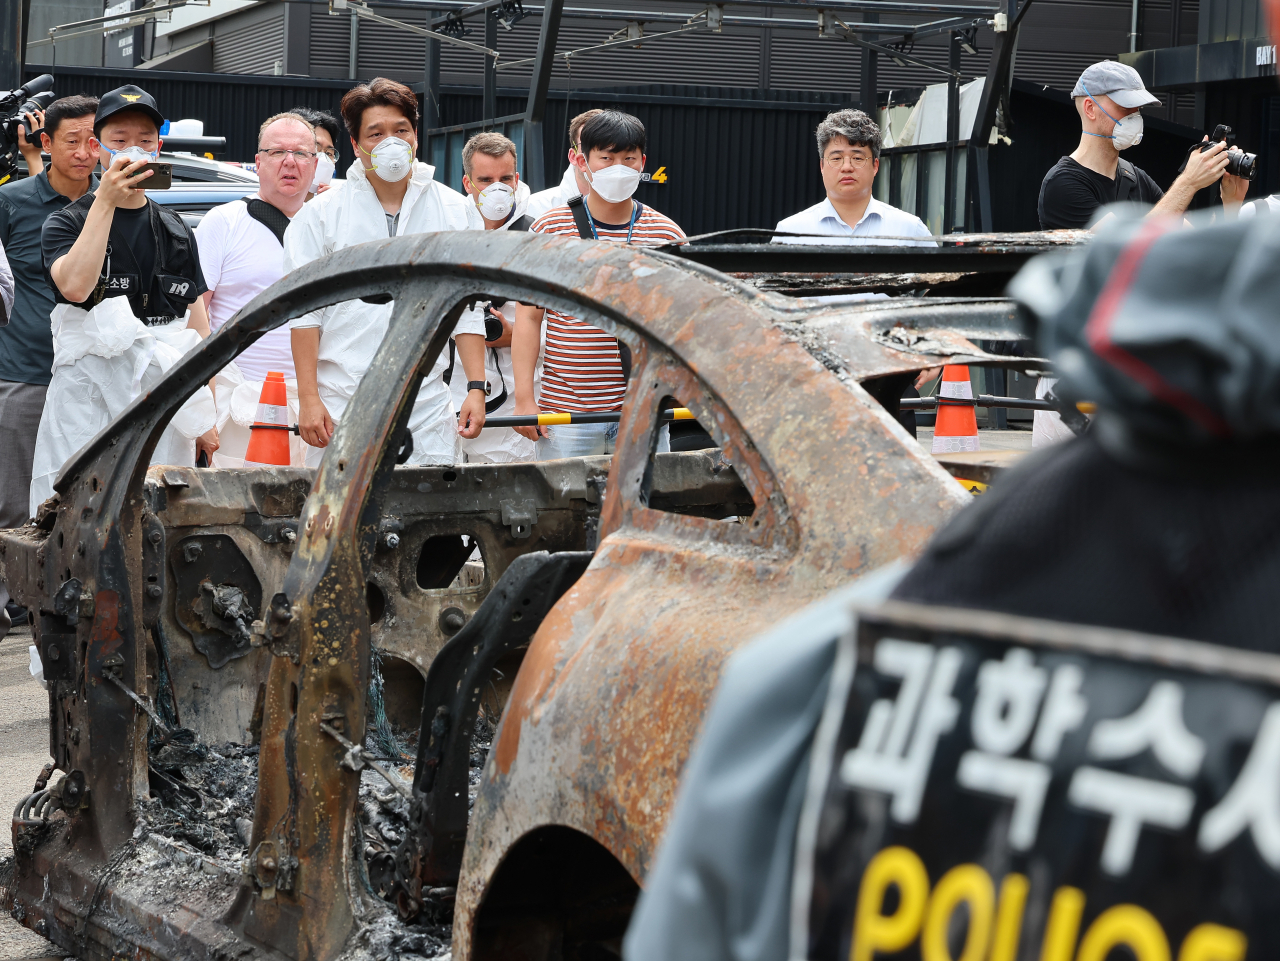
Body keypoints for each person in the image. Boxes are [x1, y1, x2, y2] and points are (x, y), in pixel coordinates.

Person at [30, 84, 218, 516]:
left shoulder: (175, 229)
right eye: (120, 140)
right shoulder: (65, 222)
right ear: (97, 148)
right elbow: (74, 288)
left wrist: (206, 411)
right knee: (76, 517)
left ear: (160, 147)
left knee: (161, 519)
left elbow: (197, 322)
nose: (134, 150)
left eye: (145, 141)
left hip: (164, 399)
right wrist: (105, 203)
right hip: (87, 401)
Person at [285, 77, 488, 468]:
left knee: (428, 517)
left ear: (415, 137)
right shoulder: (322, 215)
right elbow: (304, 314)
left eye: (400, 130)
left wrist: (476, 387)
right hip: (340, 398)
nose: (391, 142)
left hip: (425, 400)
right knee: (339, 518)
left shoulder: (454, 209)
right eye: (375, 133)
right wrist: (309, 398)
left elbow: (468, 307)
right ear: (356, 145)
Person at [512, 110, 684, 460]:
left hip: (645, 413)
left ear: (642, 162)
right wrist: (524, 398)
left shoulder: (668, 235)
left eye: (628, 158)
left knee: (641, 513)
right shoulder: (549, 231)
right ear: (582, 160)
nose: (617, 167)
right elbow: (529, 318)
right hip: (566, 414)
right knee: (563, 513)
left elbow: (685, 326)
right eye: (606, 157)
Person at [196, 112, 319, 467]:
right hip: (235, 401)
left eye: (301, 153)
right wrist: (203, 401)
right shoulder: (225, 221)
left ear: (315, 163)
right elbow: (196, 316)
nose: (290, 162)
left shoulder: (328, 225)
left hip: (312, 404)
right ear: (258, 162)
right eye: (278, 152)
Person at [0, 95, 98, 534]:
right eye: (71, 141)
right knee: (12, 504)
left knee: (86, 505)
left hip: (97, 379)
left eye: (93, 141)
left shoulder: (116, 206)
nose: (83, 153)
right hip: (24, 375)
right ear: (46, 142)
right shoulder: (11, 202)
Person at [1038, 61, 1241, 230]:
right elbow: (1123, 251)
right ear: (1091, 109)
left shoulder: (1134, 178)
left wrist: (1231, 202)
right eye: (1125, 106)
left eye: (1137, 109)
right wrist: (1188, 182)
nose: (1135, 117)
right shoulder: (1062, 184)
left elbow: (1194, 243)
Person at [453, 131, 536, 463]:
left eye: (504, 178)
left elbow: (561, 325)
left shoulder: (537, 235)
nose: (496, 188)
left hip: (520, 395)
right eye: (485, 179)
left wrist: (515, 336)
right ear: (467, 182)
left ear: (517, 180)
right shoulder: (448, 231)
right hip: (455, 386)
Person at [774, 108, 934, 245]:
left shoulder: (910, 231)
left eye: (857, 158)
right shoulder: (790, 233)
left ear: (875, 166)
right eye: (836, 158)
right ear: (822, 166)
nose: (846, 167)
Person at [525, 108, 602, 221]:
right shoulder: (536, 208)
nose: (599, 153)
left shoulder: (633, 212)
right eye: (589, 145)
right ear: (573, 156)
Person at [291, 106, 341, 196]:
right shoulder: (265, 206)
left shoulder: (335, 204)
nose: (323, 159)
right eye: (315, 149)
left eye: (329, 153)